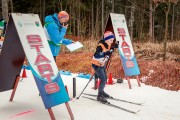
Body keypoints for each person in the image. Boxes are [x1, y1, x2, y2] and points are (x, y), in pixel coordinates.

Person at [92, 31, 119, 103]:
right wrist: (105, 53)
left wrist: (114, 47)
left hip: (102, 64)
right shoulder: (100, 45)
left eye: (113, 40)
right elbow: (97, 54)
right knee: (103, 79)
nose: (112, 41)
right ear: (106, 39)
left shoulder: (108, 44)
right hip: (97, 65)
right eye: (111, 40)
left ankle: (102, 91)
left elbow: (109, 50)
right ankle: (99, 96)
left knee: (105, 78)